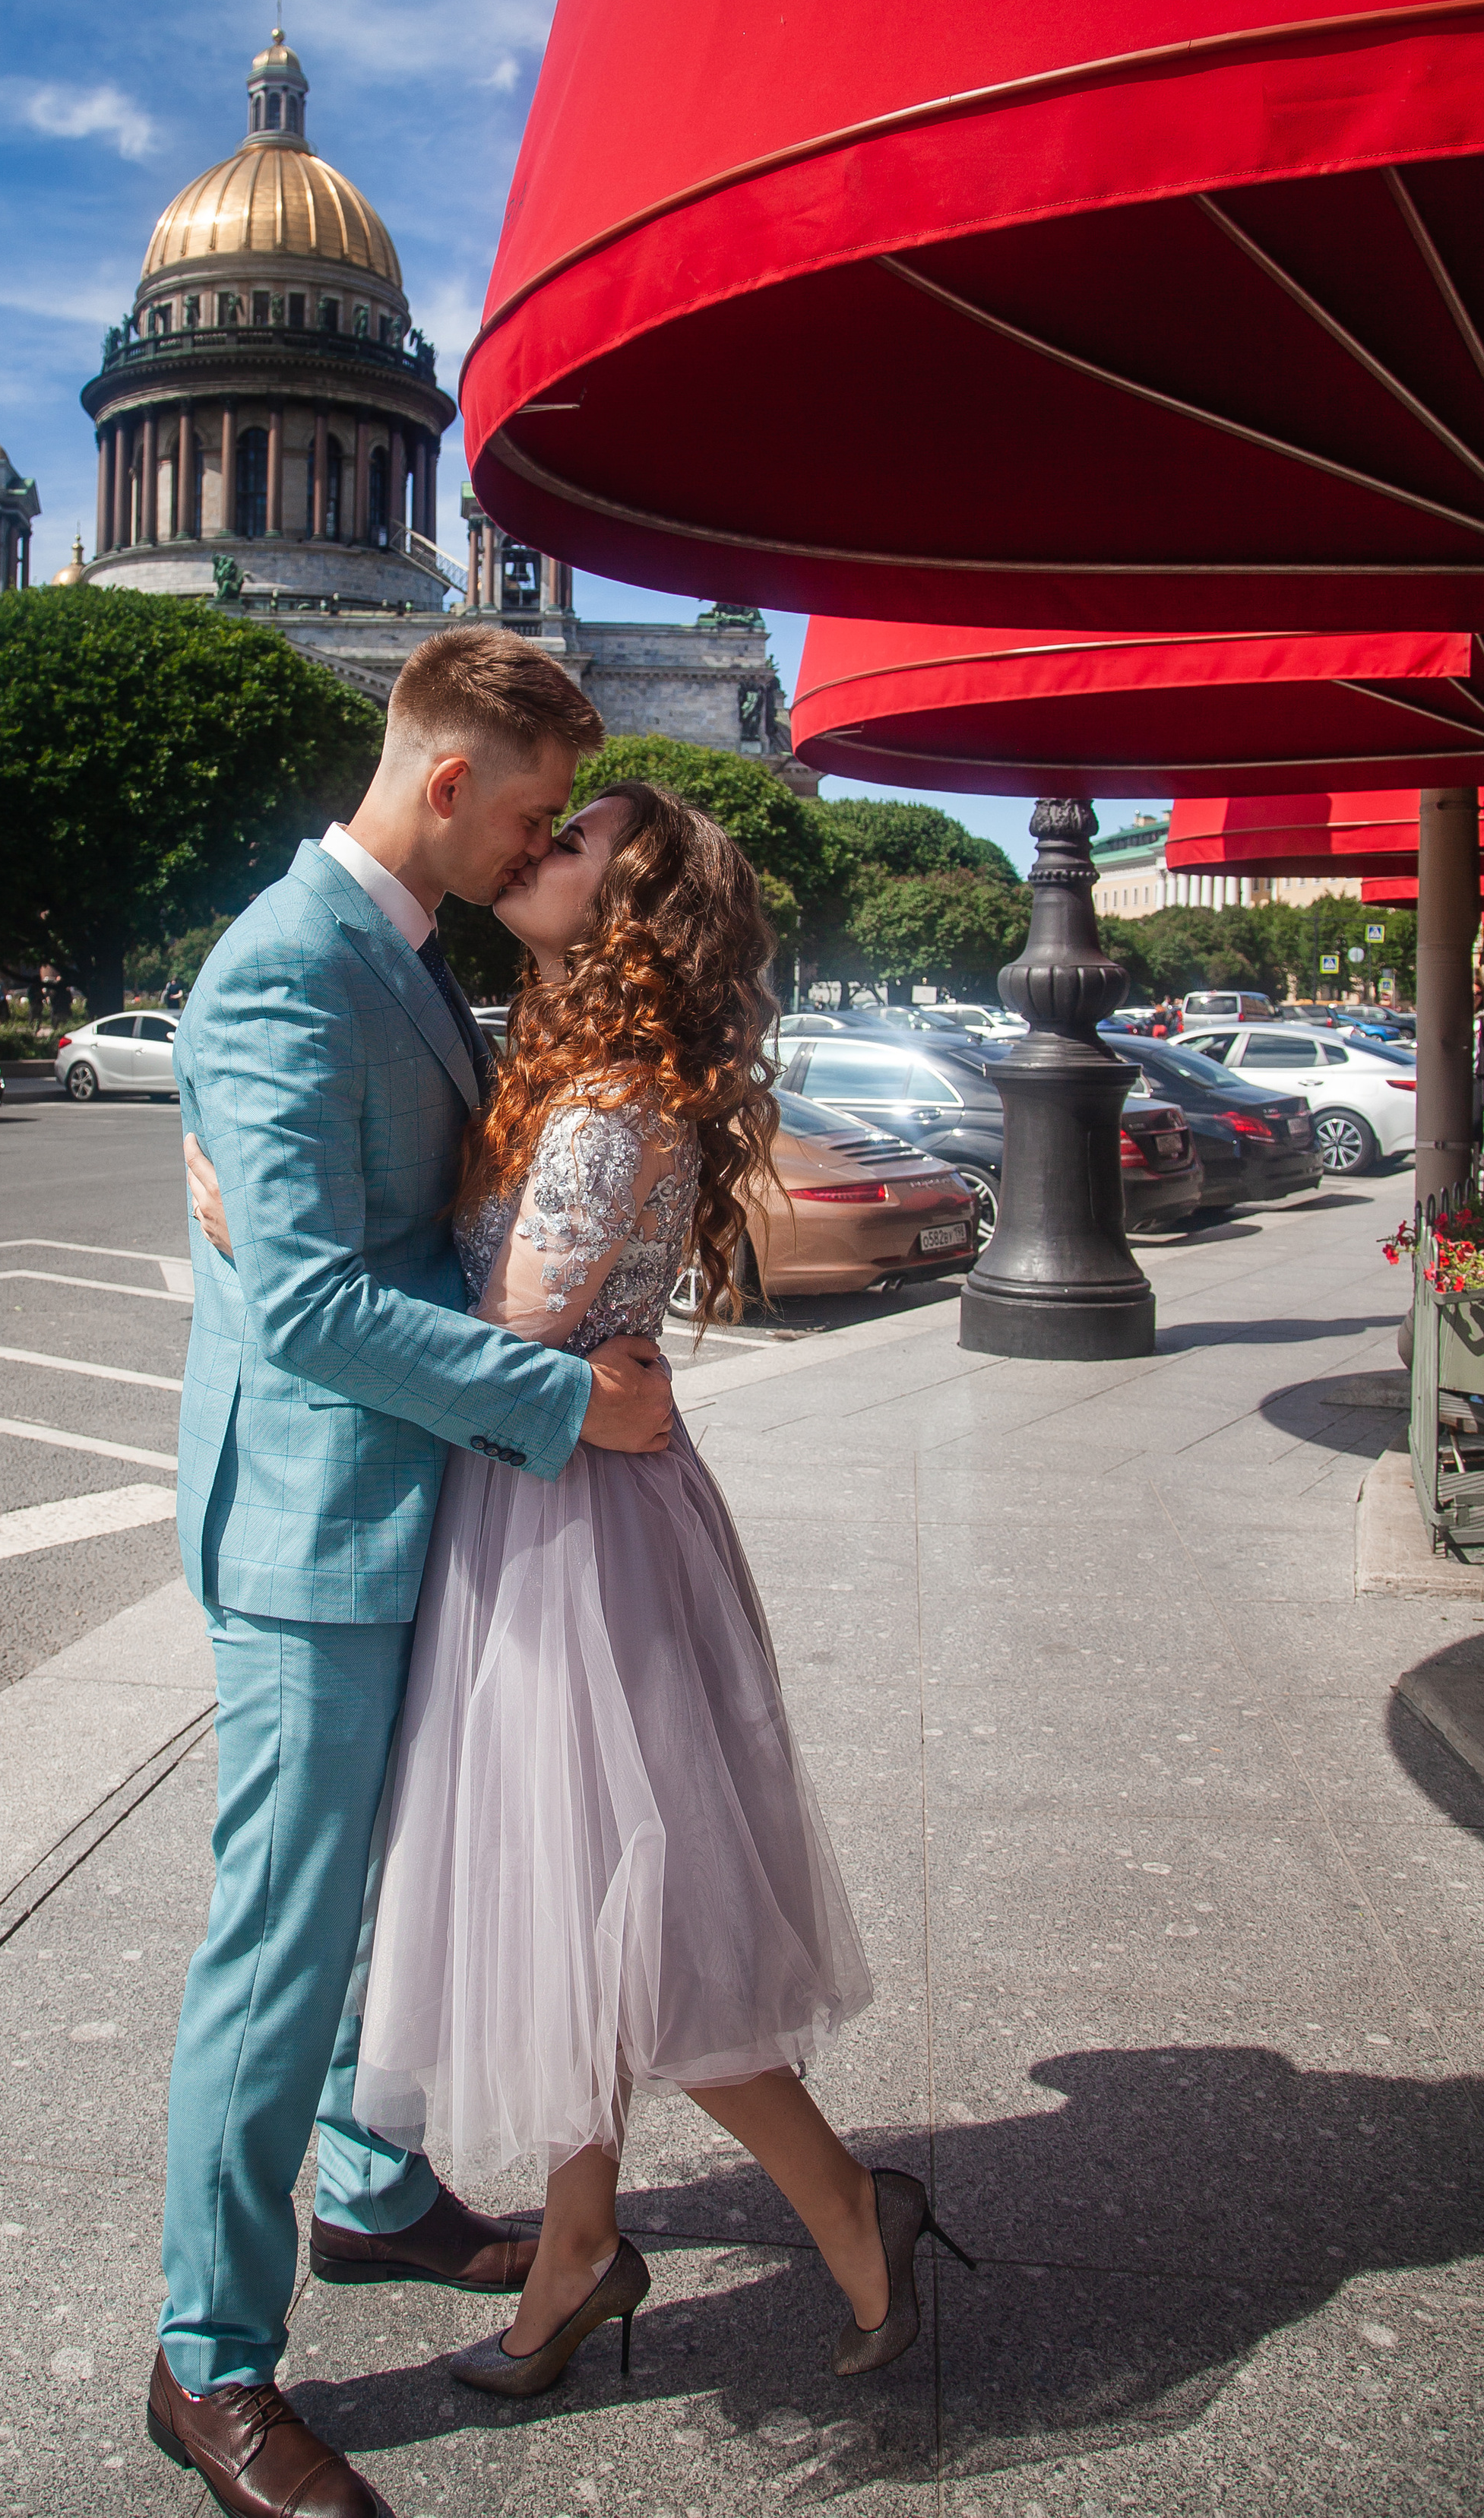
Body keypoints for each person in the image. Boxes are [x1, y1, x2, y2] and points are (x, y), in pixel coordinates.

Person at [350, 783, 971, 2393]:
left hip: (570, 1517)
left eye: (573, 845)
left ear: (629, 911)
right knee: (574, 1900)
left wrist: (309, 1263)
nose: (534, 847)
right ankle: (576, 2246)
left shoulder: (613, 1094)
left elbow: (509, 1334)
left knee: (638, 1906)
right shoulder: (577, 1068)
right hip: (563, 1498)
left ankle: (844, 2209)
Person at [147, 632, 674, 2518]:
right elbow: (300, 1297)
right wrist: (560, 1399)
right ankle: (205, 2358)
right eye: (535, 811)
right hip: (311, 1526)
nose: (547, 847)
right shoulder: (291, 960)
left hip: (397, 1494)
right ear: (450, 782)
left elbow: (362, 1221)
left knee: (384, 1897)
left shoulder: (395, 952)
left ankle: (366, 2192)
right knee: (279, 1942)